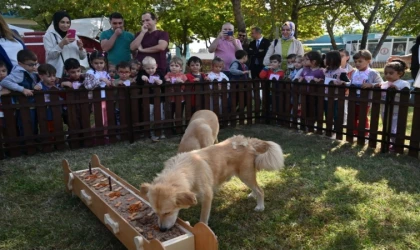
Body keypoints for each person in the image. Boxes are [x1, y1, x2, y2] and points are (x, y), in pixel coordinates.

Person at [0, 49, 39, 135]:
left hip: (30, 103)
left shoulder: (30, 70)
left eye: (35, 64)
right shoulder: (19, 72)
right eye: (31, 65)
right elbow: (5, 82)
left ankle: (32, 142)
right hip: (22, 104)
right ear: (20, 64)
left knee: (33, 123)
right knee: (25, 124)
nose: (34, 66)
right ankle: (25, 145)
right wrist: (22, 89)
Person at [43, 11, 86, 78]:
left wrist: (81, 48)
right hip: (58, 74)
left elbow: (83, 57)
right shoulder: (49, 36)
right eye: (62, 22)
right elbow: (51, 56)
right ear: (56, 22)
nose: (65, 25)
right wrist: (62, 44)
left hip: (74, 74)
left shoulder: (74, 36)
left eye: (68, 22)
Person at [350, 49, 383, 137]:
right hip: (353, 98)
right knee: (353, 115)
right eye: (355, 61)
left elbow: (381, 84)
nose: (357, 63)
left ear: (368, 61)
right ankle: (354, 132)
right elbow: (351, 83)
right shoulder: (354, 72)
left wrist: (371, 85)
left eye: (360, 61)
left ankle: (364, 134)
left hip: (365, 99)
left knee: (362, 116)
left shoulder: (372, 73)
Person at [379, 60, 410, 151]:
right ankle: (388, 143)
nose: (387, 75)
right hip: (384, 110)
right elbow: (378, 89)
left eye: (391, 73)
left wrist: (397, 91)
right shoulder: (384, 84)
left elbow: (406, 96)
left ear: (400, 73)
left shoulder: (403, 84)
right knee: (386, 127)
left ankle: (396, 144)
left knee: (393, 128)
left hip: (396, 111)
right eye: (386, 73)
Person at [137, 56, 165, 142]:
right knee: (150, 116)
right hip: (148, 101)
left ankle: (161, 131)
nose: (150, 70)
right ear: (144, 68)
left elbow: (163, 81)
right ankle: (152, 133)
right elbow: (139, 80)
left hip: (158, 99)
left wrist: (161, 81)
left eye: (152, 68)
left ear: (156, 66)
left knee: (161, 115)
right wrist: (142, 78)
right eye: (148, 68)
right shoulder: (142, 73)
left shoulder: (159, 73)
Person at [84, 51, 112, 129]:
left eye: (101, 63)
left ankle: (105, 132)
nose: (99, 65)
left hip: (106, 98)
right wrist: (100, 80)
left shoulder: (106, 73)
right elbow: (88, 86)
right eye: (96, 63)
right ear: (91, 63)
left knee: (107, 116)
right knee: (100, 117)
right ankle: (97, 131)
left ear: (105, 63)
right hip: (96, 99)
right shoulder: (90, 72)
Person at [323, 51, 350, 127]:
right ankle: (329, 127)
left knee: (336, 113)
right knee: (327, 113)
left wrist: (339, 82)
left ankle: (336, 128)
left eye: (326, 58)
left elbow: (348, 83)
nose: (324, 60)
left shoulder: (341, 72)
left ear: (333, 59)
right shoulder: (326, 71)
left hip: (336, 97)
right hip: (326, 95)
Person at [34, 64, 59, 136]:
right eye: (49, 76)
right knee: (47, 125)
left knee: (57, 123)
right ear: (41, 76)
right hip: (45, 110)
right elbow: (35, 89)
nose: (52, 78)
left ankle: (56, 138)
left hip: (56, 108)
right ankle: (50, 139)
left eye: (54, 76)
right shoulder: (40, 85)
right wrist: (36, 88)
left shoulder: (56, 84)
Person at [164, 56, 187, 124]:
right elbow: (166, 81)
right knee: (170, 113)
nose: (174, 67)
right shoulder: (168, 75)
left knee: (179, 113)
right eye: (172, 65)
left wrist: (182, 83)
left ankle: (178, 127)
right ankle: (171, 127)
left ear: (181, 68)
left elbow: (185, 87)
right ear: (169, 66)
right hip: (170, 99)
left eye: (176, 66)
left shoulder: (183, 76)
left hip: (180, 98)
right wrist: (167, 80)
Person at [338, 49, 355, 126]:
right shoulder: (333, 69)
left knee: (344, 110)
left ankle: (343, 124)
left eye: (342, 56)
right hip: (334, 93)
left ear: (347, 57)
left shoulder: (352, 71)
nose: (339, 58)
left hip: (347, 94)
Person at [0, 61, 11, 130]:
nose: (1, 73)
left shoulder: (11, 83)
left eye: (3, 71)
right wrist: (1, 93)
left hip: (10, 111)